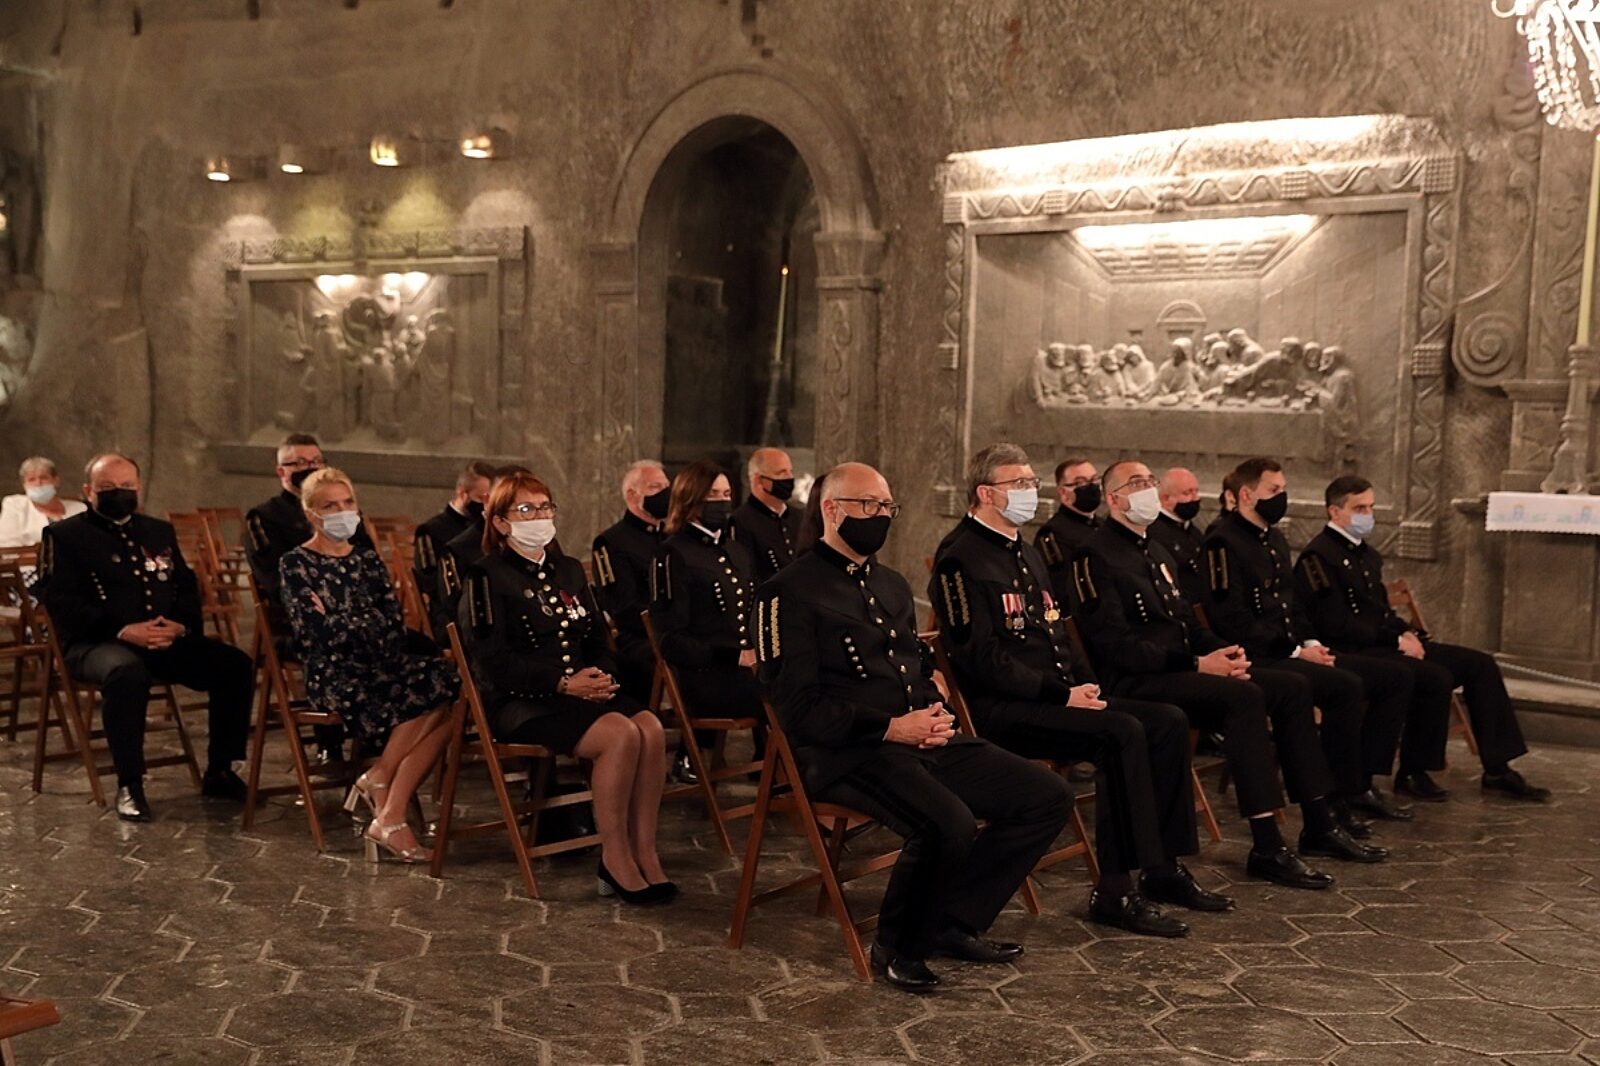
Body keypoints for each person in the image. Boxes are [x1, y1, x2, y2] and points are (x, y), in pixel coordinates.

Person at [756, 461, 1072, 991]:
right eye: (868, 505)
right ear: (831, 509)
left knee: (1047, 796)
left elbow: (912, 669)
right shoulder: (787, 591)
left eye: (887, 506)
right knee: (948, 823)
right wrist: (891, 728)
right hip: (847, 752)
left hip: (917, 740)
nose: (881, 515)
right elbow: (796, 708)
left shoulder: (891, 584)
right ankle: (899, 945)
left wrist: (933, 709)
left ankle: (952, 921)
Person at [933, 444, 1231, 938]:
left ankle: (1162, 867)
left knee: (1167, 720)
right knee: (1120, 733)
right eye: (1018, 484)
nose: (1030, 491)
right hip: (1004, 707)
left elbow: (1055, 628)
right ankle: (1114, 891)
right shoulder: (960, 558)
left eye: (1032, 482)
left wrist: (1083, 684)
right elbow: (979, 658)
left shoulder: (1023, 549)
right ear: (985, 493)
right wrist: (1060, 694)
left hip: (1054, 696)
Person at [1071, 459, 1382, 886]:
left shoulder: (1154, 550)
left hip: (1180, 669)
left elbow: (1186, 624)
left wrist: (1223, 651)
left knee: (1290, 688)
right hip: (1137, 679)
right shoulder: (1093, 554)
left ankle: (1319, 821)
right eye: (1136, 483)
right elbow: (1116, 645)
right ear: (1113, 499)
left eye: (1149, 481)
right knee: (1246, 697)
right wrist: (1200, 664)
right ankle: (1267, 844)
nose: (1146, 489)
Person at [461, 472, 673, 904]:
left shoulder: (569, 569)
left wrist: (600, 675)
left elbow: (597, 639)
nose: (539, 516)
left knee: (651, 728)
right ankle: (614, 858)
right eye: (526, 509)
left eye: (545, 507)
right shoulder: (486, 576)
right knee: (620, 735)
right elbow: (492, 662)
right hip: (523, 700)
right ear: (500, 522)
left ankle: (645, 851)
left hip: (581, 690)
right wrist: (561, 683)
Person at [1295, 476, 1548, 801]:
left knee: (1480, 664)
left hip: (1384, 641)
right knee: (1434, 677)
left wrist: (1406, 632)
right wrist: (1396, 642)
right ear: (1334, 511)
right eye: (1359, 508)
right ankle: (1412, 771)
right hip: (1356, 649)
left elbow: (1379, 610)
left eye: (1371, 507)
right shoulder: (1317, 558)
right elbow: (1335, 624)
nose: (1368, 515)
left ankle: (1498, 769)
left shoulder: (1366, 554)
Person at [37, 453, 252, 821]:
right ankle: (130, 784)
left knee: (234, 665)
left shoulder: (157, 531)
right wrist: (122, 630)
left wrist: (179, 626)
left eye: (126, 486)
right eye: (107, 487)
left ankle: (220, 770)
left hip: (160, 637)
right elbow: (61, 601)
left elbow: (185, 586)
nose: (118, 493)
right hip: (96, 642)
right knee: (126, 672)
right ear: (88, 491)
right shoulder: (65, 535)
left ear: (138, 487)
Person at [1202, 458, 1417, 825]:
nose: (1281, 497)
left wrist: (1310, 643)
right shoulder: (1222, 542)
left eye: (1283, 490)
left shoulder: (1274, 538)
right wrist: (1296, 651)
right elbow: (1232, 620)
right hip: (1255, 655)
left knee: (1362, 682)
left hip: (1290, 649)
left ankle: (1349, 790)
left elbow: (1292, 606)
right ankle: (1330, 801)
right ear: (1246, 495)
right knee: (1335, 687)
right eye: (1274, 490)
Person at [278, 468, 458, 864]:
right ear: (311, 513)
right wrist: (361, 620)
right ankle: (386, 803)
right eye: (331, 505)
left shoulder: (367, 560)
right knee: (430, 695)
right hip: (335, 674)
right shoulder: (296, 564)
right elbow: (317, 634)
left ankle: (386, 795)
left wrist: (340, 616)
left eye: (348, 503)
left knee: (451, 689)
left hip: (383, 663)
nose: (342, 511)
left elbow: (392, 626)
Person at [649, 459, 764, 782]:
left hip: (746, 672)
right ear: (692, 498)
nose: (722, 502)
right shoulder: (673, 554)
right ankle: (789, 777)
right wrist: (733, 656)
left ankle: (786, 775)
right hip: (706, 678)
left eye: (727, 494)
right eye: (713, 494)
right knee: (792, 693)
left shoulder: (735, 550)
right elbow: (671, 640)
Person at [592, 460, 672, 703]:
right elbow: (622, 607)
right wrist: (669, 624)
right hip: (639, 637)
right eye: (655, 487)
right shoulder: (612, 542)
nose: (666, 494)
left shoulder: (670, 537)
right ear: (632, 495)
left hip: (673, 631)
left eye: (666, 486)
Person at [413, 460, 494, 638]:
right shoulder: (430, 530)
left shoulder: (488, 529)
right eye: (481, 499)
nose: (485, 505)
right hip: (451, 618)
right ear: (462, 493)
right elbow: (430, 584)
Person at [731, 447, 801, 584]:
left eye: (790, 471)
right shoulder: (741, 521)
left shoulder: (799, 516)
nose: (789, 477)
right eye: (781, 473)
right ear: (759, 480)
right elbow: (747, 574)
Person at [1035, 457, 1100, 592]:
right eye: (1080, 483)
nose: (1091, 486)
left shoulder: (1103, 525)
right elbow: (1060, 585)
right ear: (1063, 492)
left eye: (1094, 480)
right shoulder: (1053, 534)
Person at [1148, 467, 1206, 604]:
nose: (1195, 498)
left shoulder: (1193, 530)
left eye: (1196, 491)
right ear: (1165, 498)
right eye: (1187, 493)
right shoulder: (1155, 532)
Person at [0, 456, 86, 548]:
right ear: (24, 485)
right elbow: (7, 545)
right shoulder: (15, 505)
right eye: (31, 479)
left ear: (56, 480)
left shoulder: (80, 508)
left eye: (44, 478)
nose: (38, 483)